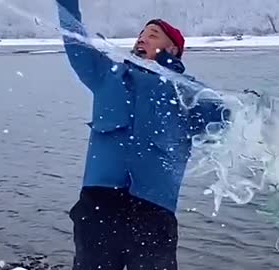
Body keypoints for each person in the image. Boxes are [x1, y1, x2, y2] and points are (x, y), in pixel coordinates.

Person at [56, 1, 230, 269]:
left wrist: (257, 112)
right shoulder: (107, 75)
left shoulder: (189, 94)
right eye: (141, 35)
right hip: (99, 206)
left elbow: (229, 119)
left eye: (152, 35)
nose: (142, 38)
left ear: (172, 49)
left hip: (153, 213)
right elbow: (75, 41)